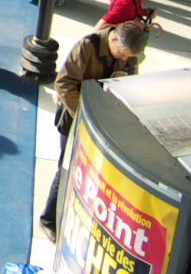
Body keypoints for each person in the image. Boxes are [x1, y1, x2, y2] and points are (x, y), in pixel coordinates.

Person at [38, 21, 147, 236]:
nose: (125, 59)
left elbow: (130, 83)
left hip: (102, 119)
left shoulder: (129, 54)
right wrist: (83, 116)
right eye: (123, 54)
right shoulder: (87, 47)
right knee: (67, 167)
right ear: (114, 39)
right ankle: (49, 219)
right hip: (75, 116)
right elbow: (64, 83)